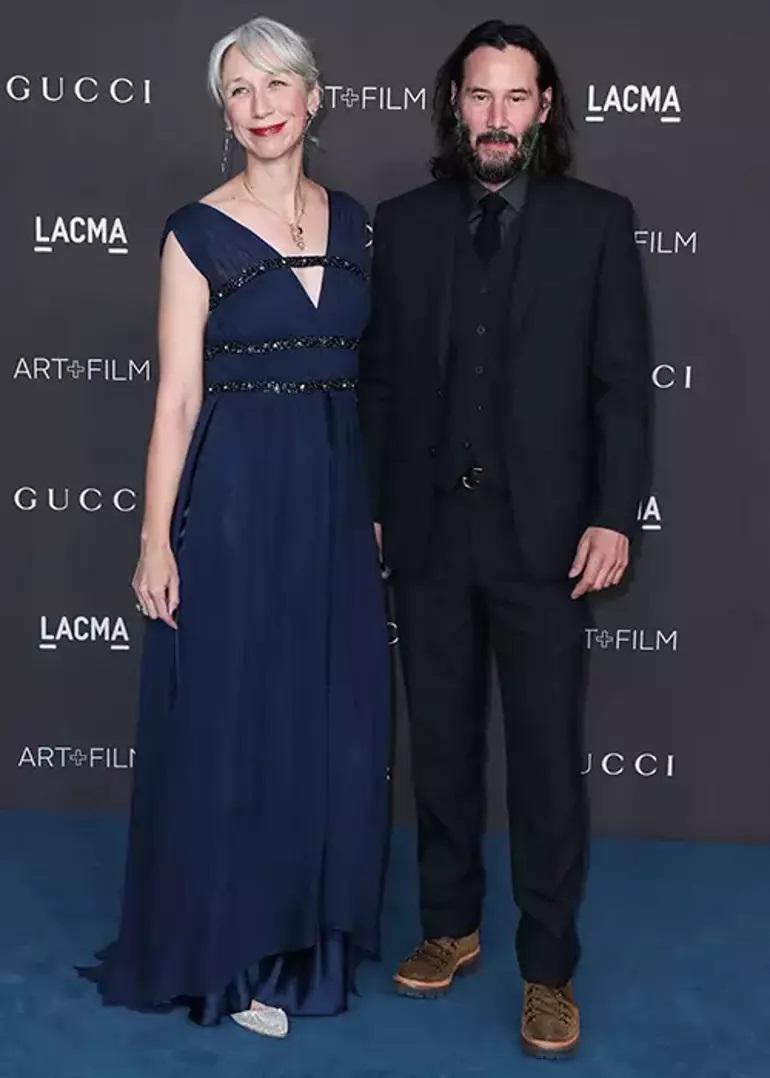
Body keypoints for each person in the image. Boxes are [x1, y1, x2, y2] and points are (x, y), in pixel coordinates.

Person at [81, 16, 390, 1038]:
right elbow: (176, 398)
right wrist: (153, 539)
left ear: (312, 96)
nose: (261, 108)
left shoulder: (355, 222)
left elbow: (373, 382)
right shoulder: (195, 232)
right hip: (236, 502)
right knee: (236, 720)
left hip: (335, 501)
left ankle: (307, 943)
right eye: (239, 91)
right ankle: (231, 954)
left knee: (326, 722)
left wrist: (374, 508)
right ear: (224, 112)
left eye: (276, 85)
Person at [358, 19, 649, 1060]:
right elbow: (381, 382)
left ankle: (548, 969)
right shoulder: (403, 224)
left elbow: (620, 386)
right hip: (431, 533)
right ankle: (450, 926)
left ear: (544, 109)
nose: (496, 116)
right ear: (455, 104)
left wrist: (613, 512)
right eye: (479, 95)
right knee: (438, 746)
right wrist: (378, 500)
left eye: (515, 97)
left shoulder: (596, 222)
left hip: (547, 542)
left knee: (543, 759)